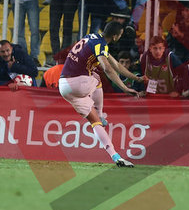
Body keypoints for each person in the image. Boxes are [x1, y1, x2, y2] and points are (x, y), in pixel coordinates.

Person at [58, 21, 145, 167]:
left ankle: (116, 156)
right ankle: (100, 113)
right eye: (120, 35)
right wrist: (125, 88)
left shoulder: (91, 37)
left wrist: (136, 78)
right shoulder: (101, 45)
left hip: (63, 87)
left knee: (95, 122)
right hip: (78, 83)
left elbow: (116, 65)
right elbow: (108, 68)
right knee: (97, 77)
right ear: (115, 36)